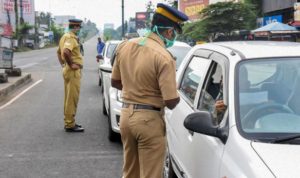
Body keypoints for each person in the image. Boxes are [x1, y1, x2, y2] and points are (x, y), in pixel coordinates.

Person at [111, 3, 188, 178]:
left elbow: (115, 82)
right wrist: (177, 94)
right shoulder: (164, 56)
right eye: (174, 33)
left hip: (126, 116)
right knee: (151, 174)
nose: (173, 37)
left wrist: (135, 89)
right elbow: (170, 101)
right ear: (168, 32)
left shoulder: (125, 46)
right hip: (149, 122)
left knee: (130, 171)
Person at [56, 19, 84, 132]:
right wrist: (71, 64)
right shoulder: (71, 38)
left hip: (67, 70)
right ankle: (69, 124)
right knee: (72, 98)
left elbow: (58, 52)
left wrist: (63, 65)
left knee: (68, 97)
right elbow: (65, 52)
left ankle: (69, 121)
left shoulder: (64, 36)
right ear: (76, 27)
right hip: (72, 72)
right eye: (79, 27)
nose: (80, 29)